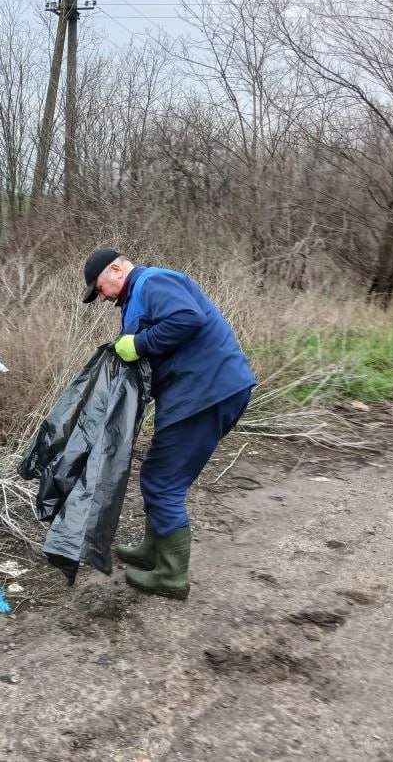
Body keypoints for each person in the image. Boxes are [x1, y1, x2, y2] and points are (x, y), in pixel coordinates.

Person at [81, 247, 256, 600]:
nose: (102, 298)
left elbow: (188, 319)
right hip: (197, 393)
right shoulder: (136, 297)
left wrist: (139, 343)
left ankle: (173, 575)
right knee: (158, 472)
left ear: (116, 270)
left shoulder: (153, 282)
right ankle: (154, 550)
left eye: (99, 289)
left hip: (206, 392)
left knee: (163, 480)